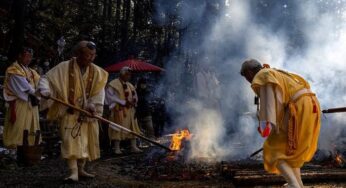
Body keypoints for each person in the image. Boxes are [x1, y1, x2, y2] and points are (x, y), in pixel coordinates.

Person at [240, 59, 321, 188]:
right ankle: (297, 184)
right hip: (311, 105)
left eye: (245, 76)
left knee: (274, 150)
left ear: (249, 72)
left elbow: (270, 102)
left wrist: (266, 124)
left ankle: (294, 185)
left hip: (298, 108)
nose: (247, 80)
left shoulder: (263, 75)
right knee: (289, 150)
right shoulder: (274, 71)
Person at [38, 41, 108, 182]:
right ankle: (73, 172)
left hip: (86, 115)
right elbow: (46, 78)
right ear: (78, 54)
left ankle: (81, 170)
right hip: (69, 112)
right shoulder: (64, 67)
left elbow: (99, 91)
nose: (91, 58)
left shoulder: (97, 72)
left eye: (93, 55)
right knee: (70, 142)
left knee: (86, 142)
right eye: (88, 55)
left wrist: (92, 105)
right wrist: (45, 90)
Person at [3, 47, 41, 151]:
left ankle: (28, 148)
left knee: (31, 126)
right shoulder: (13, 70)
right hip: (20, 102)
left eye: (30, 57)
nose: (29, 59)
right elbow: (25, 87)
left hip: (31, 102)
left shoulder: (32, 71)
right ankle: (13, 149)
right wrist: (38, 93)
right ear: (20, 56)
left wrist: (43, 89)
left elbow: (40, 82)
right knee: (18, 126)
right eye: (27, 56)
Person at [105, 66, 142, 154]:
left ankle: (133, 146)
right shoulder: (113, 84)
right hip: (119, 110)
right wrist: (122, 102)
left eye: (129, 75)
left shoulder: (130, 85)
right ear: (121, 74)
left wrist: (134, 101)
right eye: (127, 74)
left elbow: (135, 96)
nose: (128, 76)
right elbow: (109, 97)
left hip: (130, 110)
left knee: (133, 128)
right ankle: (117, 148)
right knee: (118, 128)